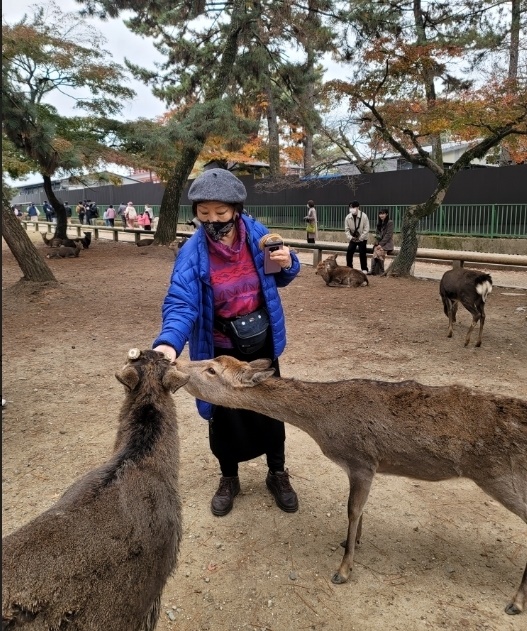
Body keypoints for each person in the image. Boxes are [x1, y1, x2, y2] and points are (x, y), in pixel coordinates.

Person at [153, 168, 301, 517]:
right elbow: (180, 302)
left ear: (236, 209)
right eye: (204, 214)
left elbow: (280, 277)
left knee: (271, 407)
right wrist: (167, 345)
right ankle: (229, 476)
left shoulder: (258, 235)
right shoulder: (192, 252)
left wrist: (289, 263)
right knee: (225, 417)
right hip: (220, 347)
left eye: (220, 213)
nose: (212, 220)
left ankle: (277, 473)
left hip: (260, 340)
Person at [345, 200, 370, 274]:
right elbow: (346, 230)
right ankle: (349, 267)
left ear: (358, 207)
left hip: (362, 238)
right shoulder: (348, 217)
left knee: (362, 252)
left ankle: (364, 269)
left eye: (353, 207)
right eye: (350, 207)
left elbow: (366, 229)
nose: (352, 209)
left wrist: (361, 238)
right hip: (353, 238)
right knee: (349, 251)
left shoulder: (364, 216)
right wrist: (350, 237)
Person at [371, 208, 394, 276]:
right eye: (380, 214)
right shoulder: (379, 223)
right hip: (379, 244)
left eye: (383, 214)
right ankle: (378, 270)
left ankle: (377, 270)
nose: (381, 215)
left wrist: (380, 244)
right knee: (377, 250)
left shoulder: (390, 222)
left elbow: (388, 235)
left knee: (378, 251)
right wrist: (377, 243)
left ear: (386, 214)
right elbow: (377, 235)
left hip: (387, 243)